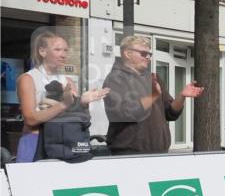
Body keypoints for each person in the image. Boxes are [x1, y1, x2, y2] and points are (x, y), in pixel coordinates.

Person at [15, 29, 109, 162]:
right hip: (35, 142)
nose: (63, 54)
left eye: (65, 50)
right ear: (42, 51)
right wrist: (64, 104)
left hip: (65, 144)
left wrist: (83, 102)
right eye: (58, 49)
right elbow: (31, 119)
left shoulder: (68, 81)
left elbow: (76, 117)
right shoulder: (28, 79)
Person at [102, 35, 203, 155]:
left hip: (159, 152)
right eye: (144, 54)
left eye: (150, 54)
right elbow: (127, 112)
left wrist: (181, 96)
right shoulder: (115, 79)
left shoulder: (153, 78)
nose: (148, 57)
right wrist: (153, 96)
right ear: (127, 53)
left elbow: (170, 113)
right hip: (129, 153)